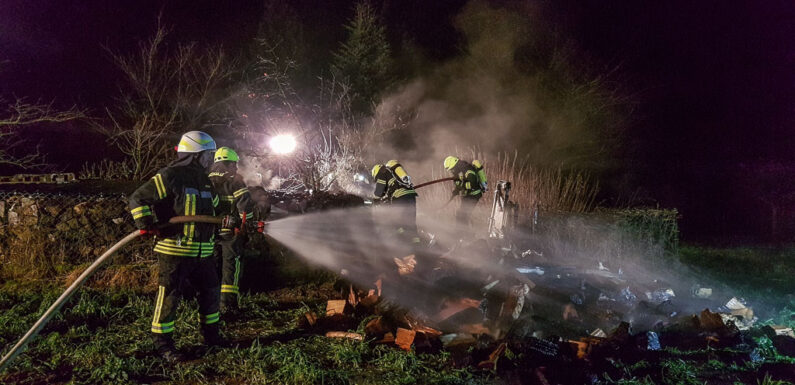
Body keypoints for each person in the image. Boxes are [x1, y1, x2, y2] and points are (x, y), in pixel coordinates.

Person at [128, 131, 229, 363]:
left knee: (211, 294)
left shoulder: (204, 181)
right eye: (209, 154)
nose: (211, 159)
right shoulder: (170, 176)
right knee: (169, 297)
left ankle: (212, 338)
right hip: (175, 251)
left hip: (204, 253)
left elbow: (214, 210)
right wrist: (146, 224)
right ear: (196, 154)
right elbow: (138, 198)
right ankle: (163, 345)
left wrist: (227, 221)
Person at [208, 147, 255, 314]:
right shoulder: (235, 180)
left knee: (211, 265)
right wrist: (246, 224)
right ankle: (227, 305)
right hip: (231, 232)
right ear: (230, 163)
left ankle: (209, 303)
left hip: (208, 233)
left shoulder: (205, 180)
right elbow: (245, 206)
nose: (235, 168)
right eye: (234, 164)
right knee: (231, 265)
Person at [371, 160, 420, 247]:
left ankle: (404, 243)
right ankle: (417, 245)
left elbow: (379, 190)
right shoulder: (393, 174)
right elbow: (387, 190)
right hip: (411, 196)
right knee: (411, 223)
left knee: (396, 222)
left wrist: (375, 200)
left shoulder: (382, 172)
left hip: (400, 197)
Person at [443, 156, 486, 226]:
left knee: (462, 215)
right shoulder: (460, 170)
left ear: (454, 166)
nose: (452, 171)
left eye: (452, 169)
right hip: (468, 195)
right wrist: (456, 190)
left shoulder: (467, 170)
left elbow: (473, 183)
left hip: (474, 195)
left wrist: (462, 186)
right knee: (461, 214)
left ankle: (463, 233)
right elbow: (461, 182)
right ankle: (462, 232)